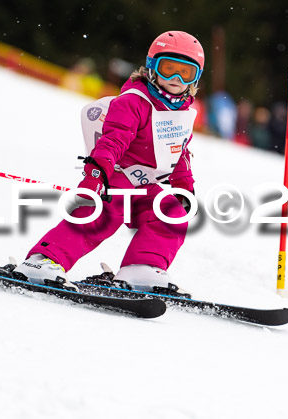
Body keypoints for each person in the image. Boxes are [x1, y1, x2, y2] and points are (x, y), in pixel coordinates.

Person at [12, 31, 205, 294]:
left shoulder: (182, 112)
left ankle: (142, 267)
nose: (175, 79)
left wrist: (184, 185)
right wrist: (95, 176)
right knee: (100, 216)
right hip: (117, 177)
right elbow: (111, 142)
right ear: (152, 67)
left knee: (170, 212)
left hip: (147, 184)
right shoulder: (134, 102)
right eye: (168, 68)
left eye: (186, 73)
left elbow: (179, 151)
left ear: (196, 77)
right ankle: (44, 261)